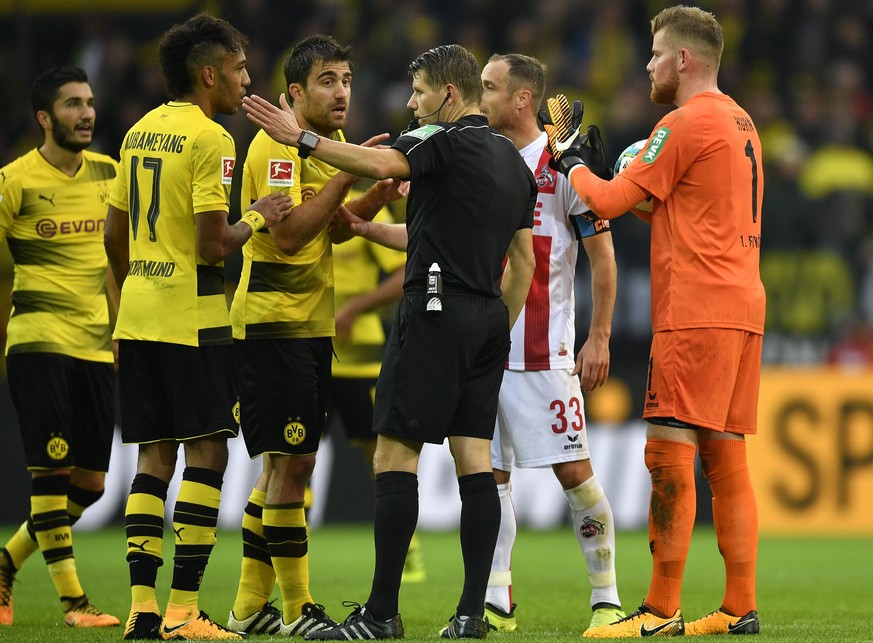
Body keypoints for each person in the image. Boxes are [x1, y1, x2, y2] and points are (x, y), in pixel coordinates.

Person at [242, 43, 537, 640]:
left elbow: (379, 166)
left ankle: (379, 615)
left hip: (431, 311)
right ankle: (471, 614)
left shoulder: (435, 141)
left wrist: (301, 139)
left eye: (421, 90)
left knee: (394, 456)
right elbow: (522, 262)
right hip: (485, 318)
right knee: (474, 461)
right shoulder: (512, 160)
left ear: (449, 96)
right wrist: (495, 330)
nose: (411, 103)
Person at [544, 5, 765, 638]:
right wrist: (609, 178)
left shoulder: (684, 120)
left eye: (655, 54)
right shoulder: (741, 122)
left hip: (695, 312)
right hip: (741, 304)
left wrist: (570, 161)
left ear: (683, 61)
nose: (648, 64)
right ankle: (737, 607)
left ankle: (660, 609)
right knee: (726, 458)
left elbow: (609, 200)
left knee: (668, 454)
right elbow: (680, 214)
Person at [103, 13, 292, 641]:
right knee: (207, 451)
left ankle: (141, 610)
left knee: (152, 457)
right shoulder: (214, 140)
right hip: (196, 320)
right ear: (208, 74)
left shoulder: (136, 134)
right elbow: (215, 246)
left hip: (141, 313)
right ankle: (184, 613)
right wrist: (260, 216)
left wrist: (142, 285)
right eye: (239, 69)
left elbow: (114, 234)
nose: (246, 79)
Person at [225, 34, 407, 638]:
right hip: (273, 322)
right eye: (329, 81)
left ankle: (249, 610)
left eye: (348, 80)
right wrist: (341, 178)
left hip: (309, 324)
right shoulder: (278, 151)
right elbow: (290, 236)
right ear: (296, 92)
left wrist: (373, 193)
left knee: (284, 463)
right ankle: (298, 607)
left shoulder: (330, 149)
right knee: (296, 461)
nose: (343, 92)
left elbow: (333, 232)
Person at [478, 53, 624, 634]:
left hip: (544, 354)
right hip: (485, 350)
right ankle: (496, 600)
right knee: (489, 479)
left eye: (489, 88)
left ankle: (606, 599)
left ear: (521, 99)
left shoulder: (564, 167)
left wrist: (599, 337)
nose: (479, 96)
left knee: (576, 476)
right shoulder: (484, 159)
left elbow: (603, 260)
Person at [0, 65, 121, 629]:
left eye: (90, 102)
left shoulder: (111, 174)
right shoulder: (14, 181)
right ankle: (74, 604)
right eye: (73, 104)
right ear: (45, 118)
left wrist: (122, 330)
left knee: (91, 485)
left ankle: (6, 560)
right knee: (50, 474)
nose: (87, 113)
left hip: (98, 346)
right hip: (38, 340)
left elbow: (117, 264)